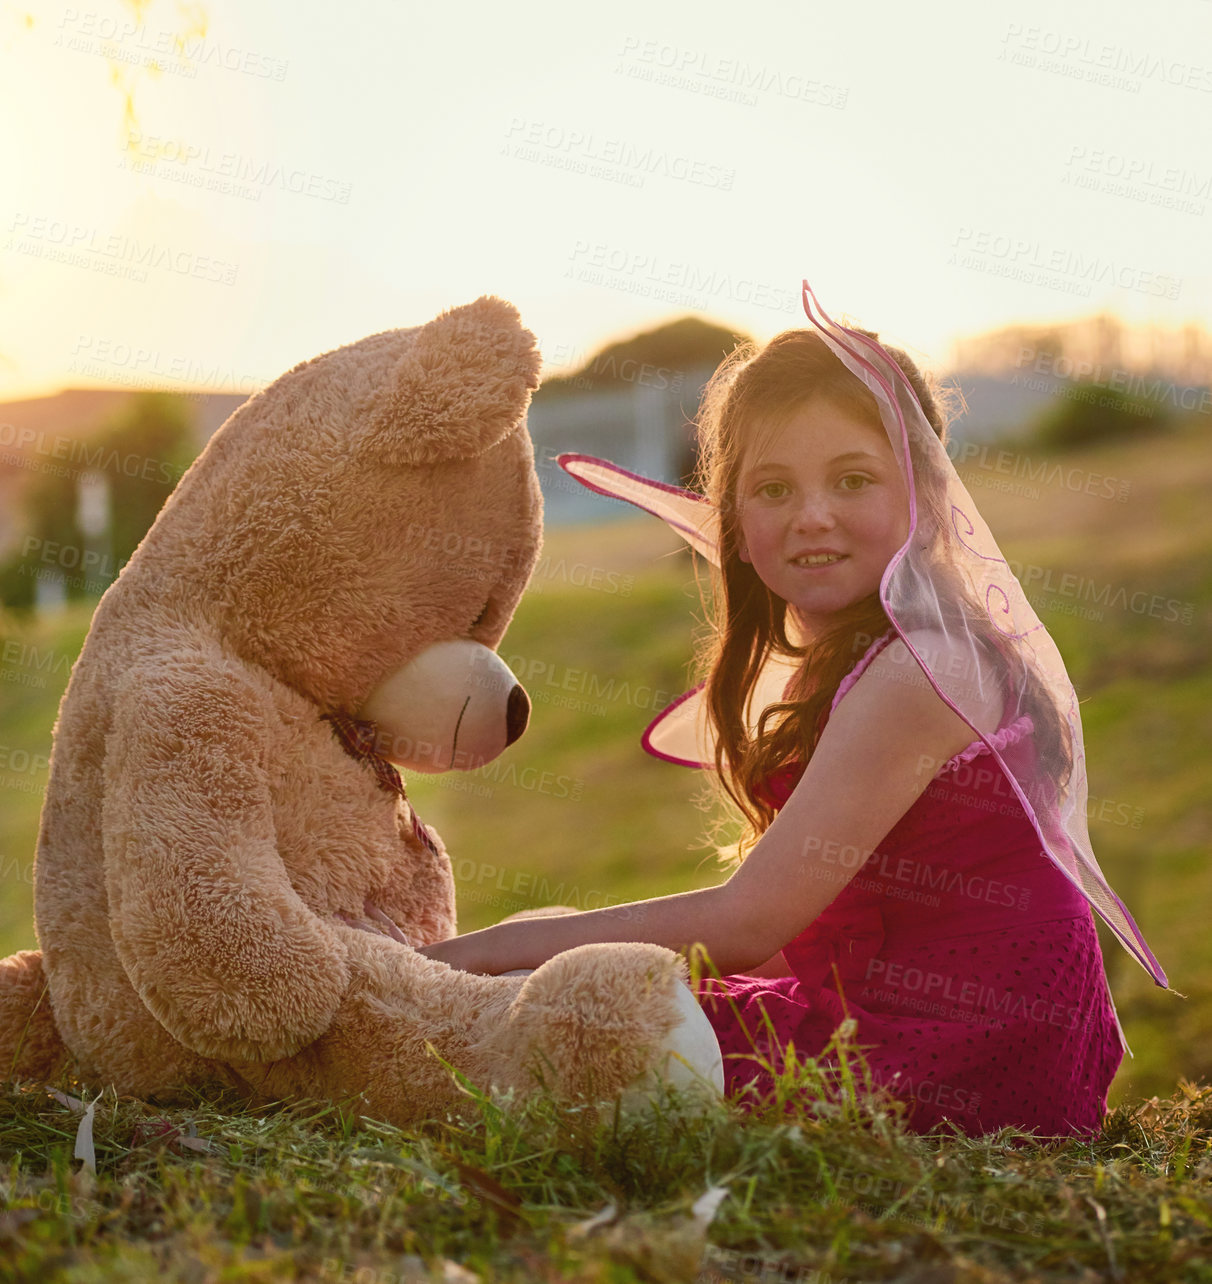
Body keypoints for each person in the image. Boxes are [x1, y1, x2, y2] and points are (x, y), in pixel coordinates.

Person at [415, 284, 1167, 1137]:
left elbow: (749, 921)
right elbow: (805, 931)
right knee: (555, 955)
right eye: (772, 489)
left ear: (924, 493)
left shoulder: (926, 668)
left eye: (852, 479)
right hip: (895, 1013)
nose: (812, 517)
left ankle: (395, 1026)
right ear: (733, 509)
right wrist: (537, 946)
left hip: (955, 1057)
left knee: (559, 1008)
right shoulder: (856, 657)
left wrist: (478, 954)